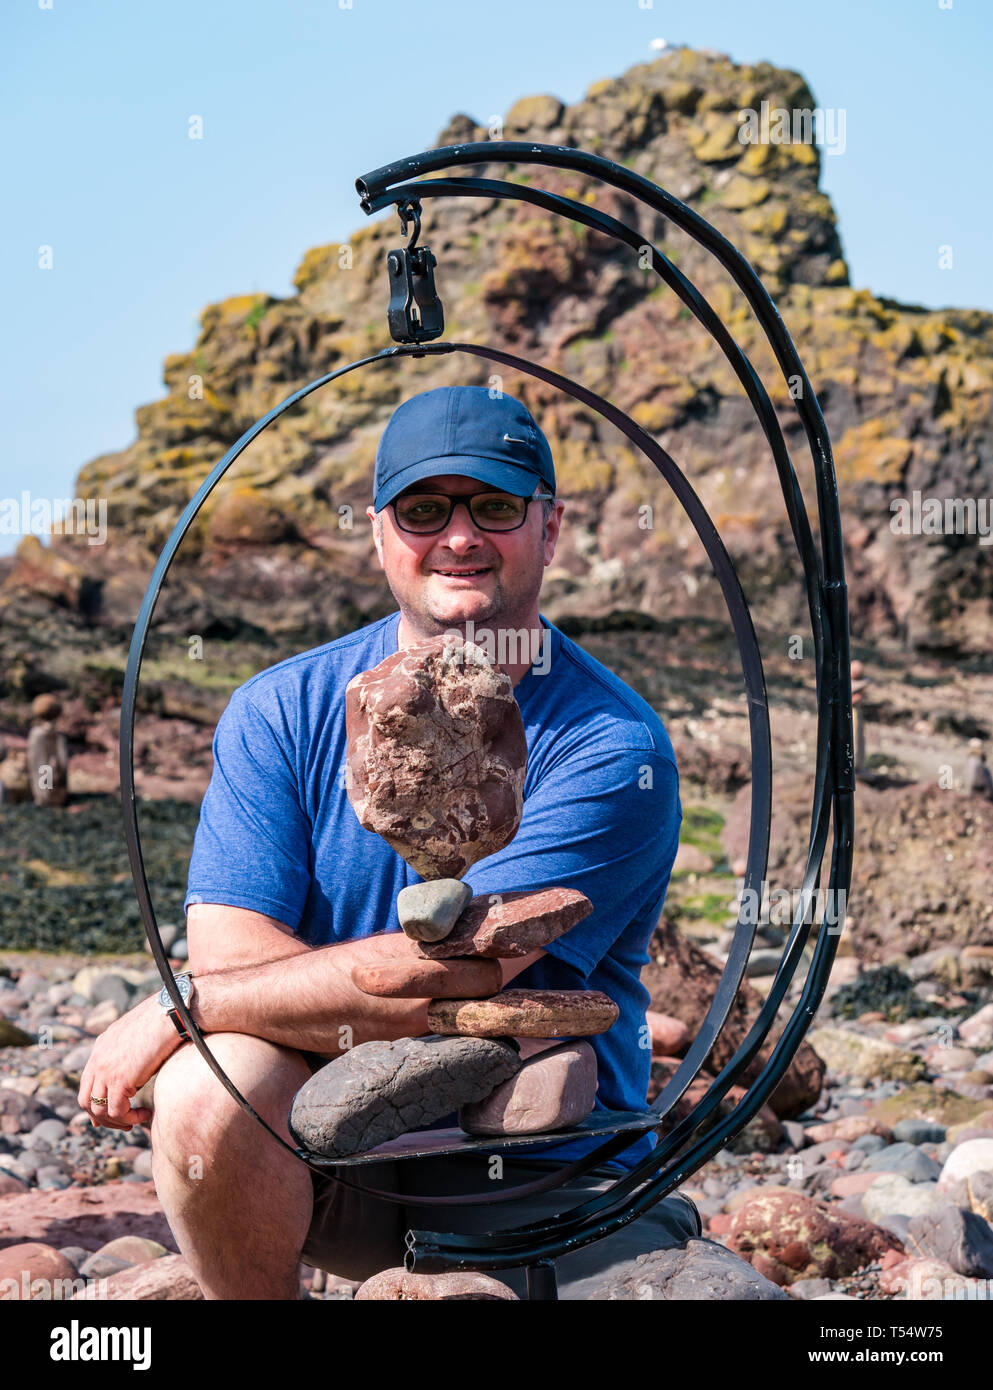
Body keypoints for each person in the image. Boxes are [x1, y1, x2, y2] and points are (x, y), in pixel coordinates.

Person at [76, 385, 697, 1300]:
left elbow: (467, 968)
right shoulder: (281, 710)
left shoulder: (611, 747)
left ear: (550, 527)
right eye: (422, 509)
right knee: (211, 1084)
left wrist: (187, 1006)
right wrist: (232, 1001)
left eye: (494, 506)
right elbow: (227, 948)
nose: (458, 537)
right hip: (333, 1164)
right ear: (378, 533)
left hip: (546, 1177)